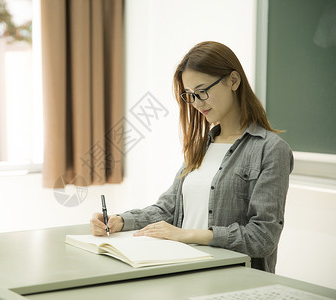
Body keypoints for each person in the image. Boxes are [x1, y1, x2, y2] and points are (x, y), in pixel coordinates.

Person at [90, 41, 294, 273]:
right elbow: (169, 209)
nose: (196, 103)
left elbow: (263, 237)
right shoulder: (201, 147)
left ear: (233, 81)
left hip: (233, 278)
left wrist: (186, 235)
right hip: (186, 270)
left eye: (202, 91)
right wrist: (120, 220)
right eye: (190, 95)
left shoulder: (270, 149)